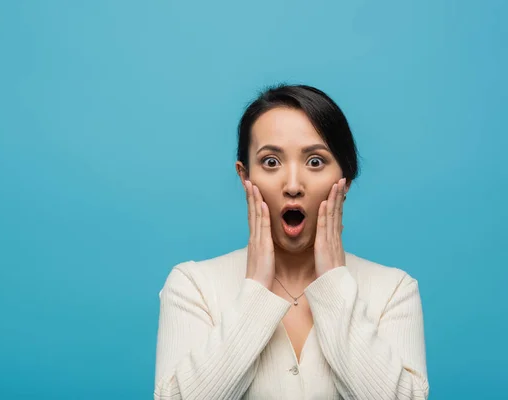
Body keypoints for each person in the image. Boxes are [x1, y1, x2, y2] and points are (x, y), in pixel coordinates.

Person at [153, 84, 429, 399]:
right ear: (245, 178)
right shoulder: (193, 286)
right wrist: (256, 290)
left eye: (315, 162)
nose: (293, 185)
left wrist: (334, 285)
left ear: (346, 181)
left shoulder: (394, 290)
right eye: (271, 162)